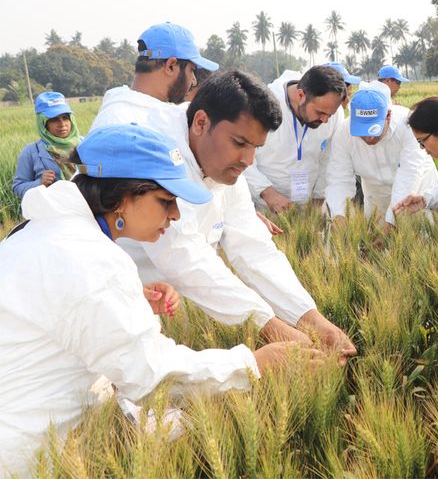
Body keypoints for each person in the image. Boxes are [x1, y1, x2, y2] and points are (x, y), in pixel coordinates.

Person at [0, 124, 325, 479]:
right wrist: (252, 364)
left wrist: (129, 301)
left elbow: (61, 313)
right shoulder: (91, 259)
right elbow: (150, 375)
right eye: (166, 201)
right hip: (31, 455)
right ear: (124, 196)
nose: (175, 215)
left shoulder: (43, 233)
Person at [127, 70, 356, 357]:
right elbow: (182, 256)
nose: (248, 161)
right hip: (122, 303)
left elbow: (253, 247)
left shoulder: (224, 168)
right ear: (201, 123)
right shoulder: (160, 156)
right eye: (239, 144)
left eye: (256, 148)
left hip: (173, 303)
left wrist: (311, 320)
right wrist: (271, 325)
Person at [325, 81, 437, 227]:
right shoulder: (343, 132)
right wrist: (339, 215)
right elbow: (339, 178)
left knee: (417, 234)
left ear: (388, 115)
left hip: (416, 191)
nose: (369, 138)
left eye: (373, 129)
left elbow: (408, 176)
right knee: (374, 239)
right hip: (375, 196)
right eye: (362, 131)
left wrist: (391, 223)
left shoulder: (409, 125)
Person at [244, 66, 346, 213]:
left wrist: (318, 198)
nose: (325, 120)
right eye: (320, 112)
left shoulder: (334, 115)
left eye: (330, 114)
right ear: (301, 95)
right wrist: (267, 193)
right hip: (263, 207)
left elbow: (328, 159)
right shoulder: (262, 106)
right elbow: (242, 158)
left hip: (307, 210)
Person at [90, 22, 218, 129]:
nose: (194, 81)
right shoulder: (123, 122)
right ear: (171, 66)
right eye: (191, 70)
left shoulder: (120, 109)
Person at [12, 92, 83, 199]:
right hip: (52, 213)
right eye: (54, 119)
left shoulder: (85, 144)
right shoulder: (31, 152)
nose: (62, 124)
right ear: (43, 123)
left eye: (65, 117)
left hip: (87, 211)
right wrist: (39, 183)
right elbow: (17, 188)